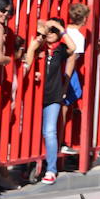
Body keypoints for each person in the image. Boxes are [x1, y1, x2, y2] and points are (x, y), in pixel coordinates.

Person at [25, 18, 70, 184]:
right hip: (34, 96)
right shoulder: (35, 49)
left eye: (50, 32)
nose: (44, 36)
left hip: (53, 96)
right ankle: (28, 166)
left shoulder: (59, 50)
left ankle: (51, 169)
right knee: (31, 132)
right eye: (41, 34)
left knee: (49, 132)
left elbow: (73, 48)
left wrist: (60, 28)